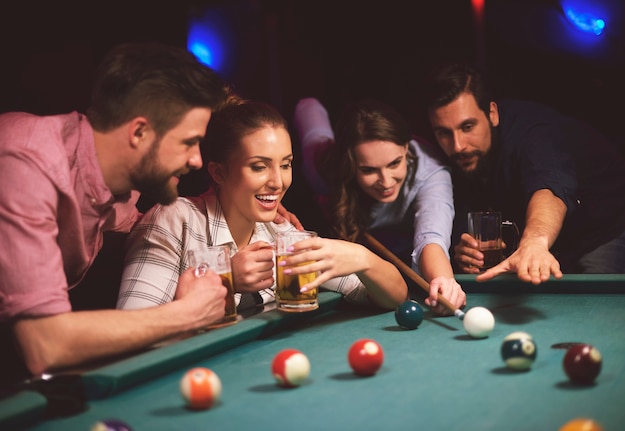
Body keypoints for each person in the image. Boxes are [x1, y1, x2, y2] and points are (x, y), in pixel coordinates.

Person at [0, 42, 234, 388]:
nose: (197, 159)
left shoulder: (121, 181)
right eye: (189, 142)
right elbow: (45, 344)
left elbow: (147, 225)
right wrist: (186, 314)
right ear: (139, 132)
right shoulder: (27, 164)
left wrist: (240, 205)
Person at [117, 100, 408, 313]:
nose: (278, 182)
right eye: (259, 167)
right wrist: (226, 280)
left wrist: (361, 257)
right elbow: (132, 328)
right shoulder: (173, 220)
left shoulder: (280, 233)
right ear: (219, 173)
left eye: (286, 165)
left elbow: (394, 297)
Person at [423, 62, 625, 283]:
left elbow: (549, 187)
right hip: (553, 245)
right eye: (443, 132)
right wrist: (465, 251)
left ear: (492, 113)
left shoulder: (534, 134)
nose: (458, 145)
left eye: (467, 127)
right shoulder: (452, 158)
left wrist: (535, 241)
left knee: (592, 305)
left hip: (605, 231)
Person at [293, 98, 466, 316]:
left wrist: (444, 280)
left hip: (397, 267)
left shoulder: (431, 174)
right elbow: (306, 107)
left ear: (406, 147)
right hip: (356, 264)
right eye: (368, 170)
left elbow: (431, 237)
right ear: (350, 164)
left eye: (395, 163)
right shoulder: (322, 166)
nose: (385, 182)